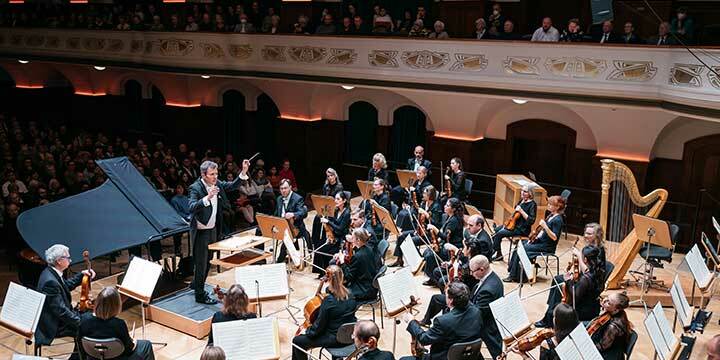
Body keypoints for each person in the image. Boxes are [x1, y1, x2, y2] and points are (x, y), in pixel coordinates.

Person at [188, 159, 250, 304]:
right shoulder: (195, 188)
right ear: (203, 175)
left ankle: (197, 285)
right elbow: (191, 207)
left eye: (216, 173)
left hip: (213, 229)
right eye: (212, 174)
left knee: (208, 262)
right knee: (201, 264)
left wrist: (244, 171)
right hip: (201, 231)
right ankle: (199, 295)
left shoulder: (217, 184)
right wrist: (207, 198)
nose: (215, 177)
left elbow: (233, 185)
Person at [399, 282, 483, 360]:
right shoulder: (476, 312)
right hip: (469, 355)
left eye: (446, 295)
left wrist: (411, 322)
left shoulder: (443, 321)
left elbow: (424, 339)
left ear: (451, 301)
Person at [36, 244, 96, 348]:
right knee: (88, 328)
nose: (70, 260)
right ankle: (79, 356)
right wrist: (80, 322)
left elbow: (66, 286)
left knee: (90, 317)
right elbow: (61, 311)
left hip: (58, 317)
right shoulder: (50, 282)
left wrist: (82, 275)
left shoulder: (51, 272)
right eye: (68, 258)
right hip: (55, 325)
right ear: (59, 261)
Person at [292, 265, 357, 360]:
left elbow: (319, 327)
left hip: (335, 339)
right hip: (349, 336)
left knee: (297, 341)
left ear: (329, 280)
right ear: (342, 277)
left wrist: (308, 331)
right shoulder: (351, 294)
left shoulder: (329, 301)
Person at [535, 245, 605, 327]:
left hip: (583, 310)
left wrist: (568, 280)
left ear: (585, 260)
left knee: (560, 294)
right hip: (593, 307)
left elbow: (575, 296)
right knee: (559, 286)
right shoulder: (598, 272)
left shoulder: (586, 278)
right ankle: (548, 316)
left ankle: (550, 320)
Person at [79, 287, 155, 359]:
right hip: (118, 358)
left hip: (93, 357)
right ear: (116, 306)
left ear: (97, 303)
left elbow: (80, 343)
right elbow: (128, 350)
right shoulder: (119, 324)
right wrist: (133, 341)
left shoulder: (84, 319)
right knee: (146, 344)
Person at [505, 195, 566, 283]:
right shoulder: (551, 215)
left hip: (546, 246)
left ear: (557, 207)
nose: (548, 206)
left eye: (550, 204)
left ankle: (516, 276)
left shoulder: (558, 220)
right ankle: (512, 272)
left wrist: (545, 227)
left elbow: (554, 237)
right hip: (540, 242)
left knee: (523, 248)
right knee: (520, 244)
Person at [391, 185, 443, 268]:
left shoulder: (437, 207)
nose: (423, 195)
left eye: (425, 193)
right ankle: (399, 259)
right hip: (420, 230)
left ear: (430, 195)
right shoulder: (423, 203)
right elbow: (418, 218)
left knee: (410, 242)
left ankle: (420, 261)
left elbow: (436, 223)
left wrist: (427, 215)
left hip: (430, 234)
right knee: (401, 236)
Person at [510, 303, 579, 360]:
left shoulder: (548, 344)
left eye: (554, 317)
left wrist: (524, 355)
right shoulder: (578, 338)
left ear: (557, 322)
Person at [422, 198, 464, 287]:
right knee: (427, 251)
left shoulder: (454, 220)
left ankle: (434, 279)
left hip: (452, 248)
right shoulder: (448, 217)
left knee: (431, 255)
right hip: (446, 244)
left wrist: (435, 229)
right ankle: (432, 276)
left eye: (448, 205)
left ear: (453, 209)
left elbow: (446, 237)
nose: (445, 206)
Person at [491, 184, 537, 261]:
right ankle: (499, 254)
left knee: (499, 234)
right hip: (514, 225)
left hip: (522, 229)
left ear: (530, 193)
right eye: (522, 191)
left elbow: (531, 220)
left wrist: (522, 211)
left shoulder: (532, 205)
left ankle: (494, 251)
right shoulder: (521, 201)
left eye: (525, 191)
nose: (522, 193)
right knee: (496, 231)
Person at [335, 228, 381, 301]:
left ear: (358, 240)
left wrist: (342, 262)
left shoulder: (357, 256)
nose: (351, 240)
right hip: (371, 287)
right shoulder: (369, 249)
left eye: (353, 238)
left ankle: (344, 310)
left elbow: (348, 277)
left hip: (363, 290)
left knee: (333, 290)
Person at [314, 191, 351, 276]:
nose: (335, 201)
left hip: (341, 239)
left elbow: (340, 229)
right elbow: (334, 223)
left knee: (323, 249)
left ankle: (328, 273)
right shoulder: (336, 210)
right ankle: (323, 271)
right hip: (334, 236)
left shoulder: (347, 213)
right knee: (319, 246)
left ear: (344, 201)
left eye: (338, 199)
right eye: (335, 199)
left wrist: (328, 222)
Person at [310, 168, 344, 259]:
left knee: (326, 219)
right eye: (328, 176)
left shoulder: (339, 187)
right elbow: (324, 197)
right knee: (317, 218)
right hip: (326, 208)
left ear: (335, 176)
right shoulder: (326, 186)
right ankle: (315, 241)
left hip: (334, 208)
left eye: (331, 175)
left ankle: (327, 238)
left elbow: (338, 201)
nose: (330, 178)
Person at [588, 292, 633, 360]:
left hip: (610, 355)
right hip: (607, 344)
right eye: (607, 298)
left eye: (609, 303)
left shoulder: (613, 327)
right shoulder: (616, 312)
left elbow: (602, 346)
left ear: (615, 310)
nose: (604, 301)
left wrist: (586, 348)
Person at [275, 179, 309, 263]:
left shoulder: (297, 198)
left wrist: (293, 214)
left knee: (287, 238)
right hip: (282, 226)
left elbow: (303, 212)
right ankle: (260, 259)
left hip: (295, 227)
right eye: (281, 188)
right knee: (259, 230)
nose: (283, 190)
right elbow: (276, 214)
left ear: (290, 187)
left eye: (285, 188)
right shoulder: (279, 199)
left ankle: (279, 261)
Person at [394, 166, 433, 232]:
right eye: (417, 173)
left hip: (420, 206)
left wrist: (416, 191)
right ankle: (398, 230)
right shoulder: (416, 182)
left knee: (406, 215)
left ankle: (405, 231)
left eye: (420, 173)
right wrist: (408, 204)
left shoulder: (427, 185)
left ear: (425, 174)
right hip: (414, 204)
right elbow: (412, 196)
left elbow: (423, 197)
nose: (417, 175)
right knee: (401, 212)